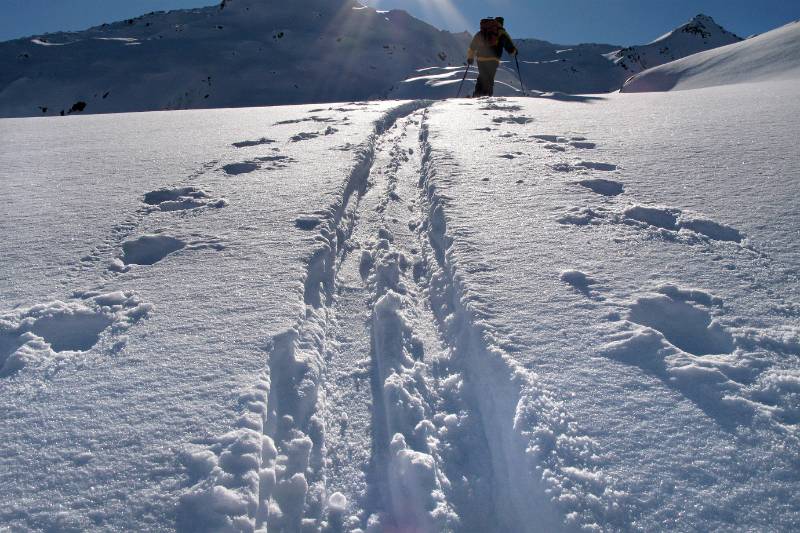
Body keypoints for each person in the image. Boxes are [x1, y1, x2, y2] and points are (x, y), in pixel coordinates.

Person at [467, 17, 518, 97]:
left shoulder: (481, 32)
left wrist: (470, 57)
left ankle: (477, 94)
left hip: (480, 58)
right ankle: (486, 95)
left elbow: (472, 46)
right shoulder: (500, 32)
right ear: (501, 23)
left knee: (482, 75)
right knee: (490, 76)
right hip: (493, 58)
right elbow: (508, 44)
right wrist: (514, 52)